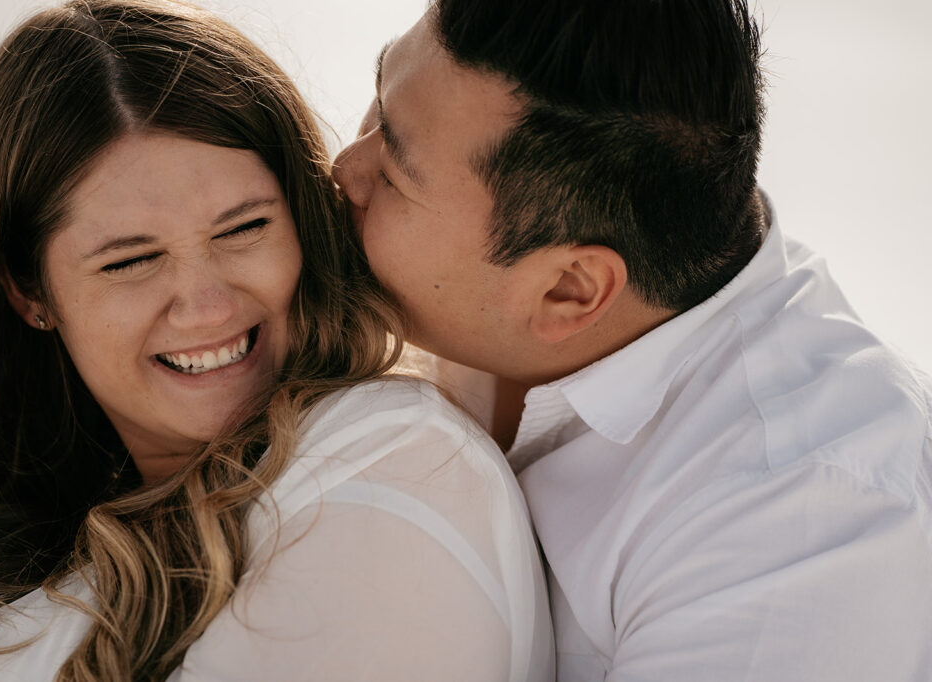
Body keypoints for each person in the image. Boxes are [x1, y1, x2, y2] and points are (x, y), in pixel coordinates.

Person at [0, 1, 555, 680]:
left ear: (301, 219)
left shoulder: (386, 452)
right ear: (28, 291)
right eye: (131, 261)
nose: (206, 307)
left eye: (243, 229)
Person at [333, 0, 932, 679]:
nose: (341, 169)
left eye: (392, 175)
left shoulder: (798, 518)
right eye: (379, 107)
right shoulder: (479, 298)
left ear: (570, 292)